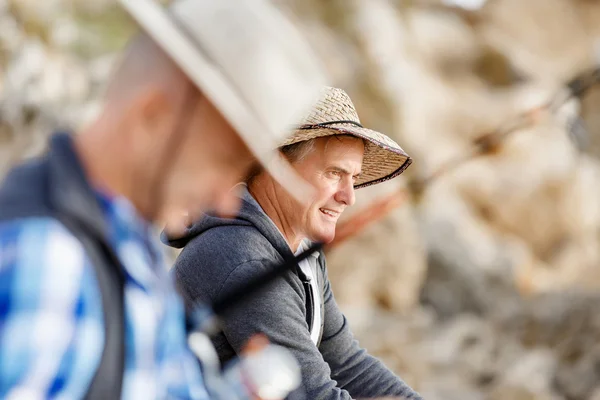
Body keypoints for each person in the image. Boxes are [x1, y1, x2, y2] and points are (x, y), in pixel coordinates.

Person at [0, 0, 326, 398]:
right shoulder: (52, 261)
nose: (225, 203)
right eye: (223, 164)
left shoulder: (136, 254)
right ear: (152, 116)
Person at [165, 86, 422, 400]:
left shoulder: (300, 251)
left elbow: (347, 364)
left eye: (353, 178)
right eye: (334, 173)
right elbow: (312, 395)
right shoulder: (245, 260)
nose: (349, 197)